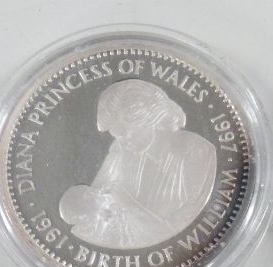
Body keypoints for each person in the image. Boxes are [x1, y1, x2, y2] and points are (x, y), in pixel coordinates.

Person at [60, 79, 216, 249]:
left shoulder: (195, 152)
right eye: (117, 135)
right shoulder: (121, 149)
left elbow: (176, 238)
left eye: (124, 133)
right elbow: (91, 207)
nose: (121, 141)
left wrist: (126, 202)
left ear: (151, 119)